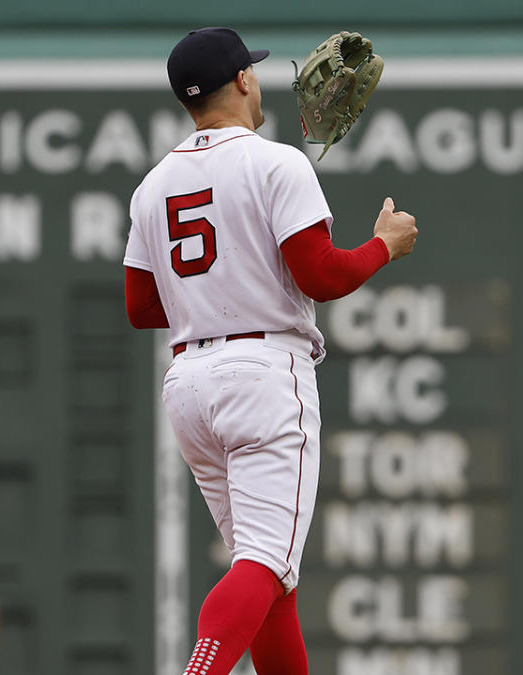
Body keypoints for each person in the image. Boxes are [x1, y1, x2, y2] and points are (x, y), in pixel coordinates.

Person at [123, 27, 418, 675]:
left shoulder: (152, 186)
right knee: (264, 562)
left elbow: (141, 307)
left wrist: (217, 287)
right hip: (262, 375)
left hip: (189, 382)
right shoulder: (276, 161)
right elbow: (323, 276)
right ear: (246, 81)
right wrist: (384, 246)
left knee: (270, 581)